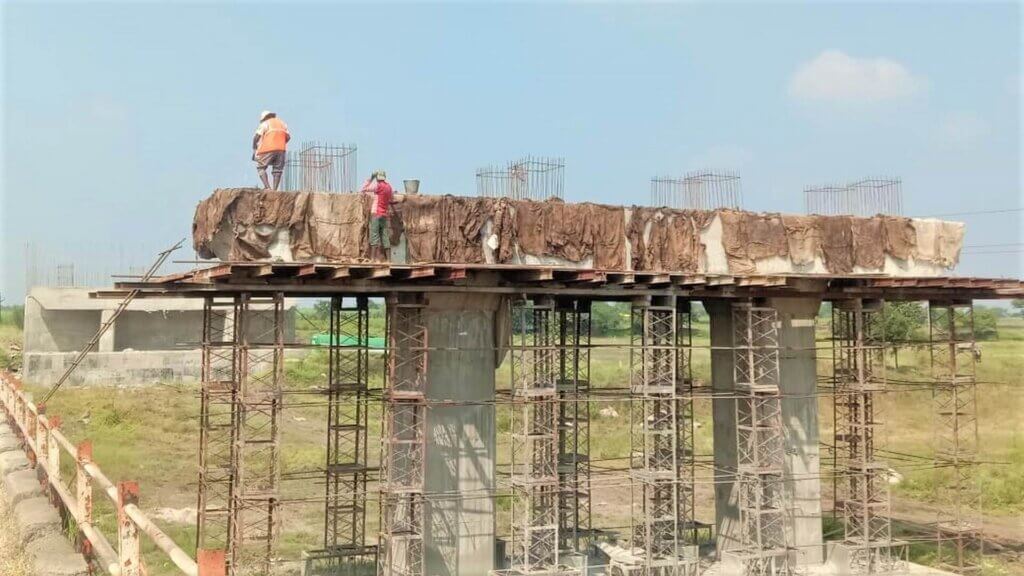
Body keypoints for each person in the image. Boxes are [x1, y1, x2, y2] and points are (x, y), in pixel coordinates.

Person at [361, 170, 394, 261]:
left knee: (374, 235)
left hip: (376, 213)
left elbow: (364, 189)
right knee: (385, 236)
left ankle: (372, 259)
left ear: (378, 178)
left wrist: (371, 178)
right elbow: (391, 199)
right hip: (384, 214)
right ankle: (389, 260)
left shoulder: (378, 186)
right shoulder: (389, 187)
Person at [252, 110, 290, 190]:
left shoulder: (265, 123)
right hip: (281, 149)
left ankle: (267, 187)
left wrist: (254, 149)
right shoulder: (282, 124)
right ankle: (275, 189)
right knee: (278, 170)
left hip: (267, 149)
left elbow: (256, 137)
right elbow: (288, 137)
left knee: (261, 167)